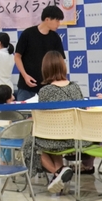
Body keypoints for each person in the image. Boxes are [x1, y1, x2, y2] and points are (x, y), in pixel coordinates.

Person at [29, 51, 89, 193]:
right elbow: (83, 110)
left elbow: (43, 118)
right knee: (50, 138)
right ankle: (60, 176)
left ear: (45, 69)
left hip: (56, 138)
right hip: (78, 138)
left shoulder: (45, 91)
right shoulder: (75, 87)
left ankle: (57, 171)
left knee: (29, 143)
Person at [14, 6, 65, 102]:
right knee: (24, 111)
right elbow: (17, 56)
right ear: (47, 19)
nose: (59, 24)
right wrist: (25, 75)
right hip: (27, 86)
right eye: (57, 20)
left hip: (49, 88)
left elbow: (60, 61)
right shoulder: (27, 34)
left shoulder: (55, 38)